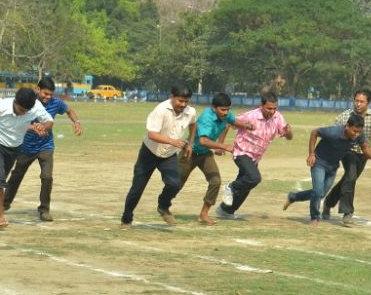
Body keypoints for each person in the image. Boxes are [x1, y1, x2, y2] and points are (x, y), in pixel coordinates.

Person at [0, 87, 53, 230]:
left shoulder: (35, 106)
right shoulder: (0, 105)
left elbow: (49, 121)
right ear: (15, 101)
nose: (22, 113)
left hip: (14, 148)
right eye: (20, 109)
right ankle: (0, 216)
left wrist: (42, 126)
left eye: (26, 111)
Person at [2, 76, 82, 222]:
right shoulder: (28, 102)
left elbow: (69, 111)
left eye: (51, 94)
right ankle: (4, 204)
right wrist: (32, 128)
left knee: (47, 177)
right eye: (45, 93)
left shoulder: (56, 103)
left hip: (46, 146)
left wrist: (76, 122)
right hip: (26, 147)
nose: (48, 97)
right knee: (16, 175)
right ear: (37, 90)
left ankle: (44, 210)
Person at [284, 113, 371, 226]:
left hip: (333, 167)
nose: (357, 134)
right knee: (317, 192)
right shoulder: (333, 132)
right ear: (347, 126)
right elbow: (314, 132)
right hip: (319, 163)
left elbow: (365, 147)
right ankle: (314, 217)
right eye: (354, 131)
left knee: (320, 194)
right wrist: (311, 154)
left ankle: (293, 197)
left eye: (359, 132)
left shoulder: (358, 135)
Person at [320, 89, 371, 225]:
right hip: (346, 151)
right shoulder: (344, 116)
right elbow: (333, 134)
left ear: (368, 103)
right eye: (356, 101)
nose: (358, 104)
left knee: (348, 180)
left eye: (361, 101)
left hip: (364, 153)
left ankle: (328, 203)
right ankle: (347, 213)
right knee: (350, 177)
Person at [121, 85, 196, 227]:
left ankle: (163, 206)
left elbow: (193, 124)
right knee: (137, 189)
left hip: (168, 154)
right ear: (171, 97)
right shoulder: (161, 110)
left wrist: (190, 144)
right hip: (149, 153)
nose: (183, 105)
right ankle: (126, 218)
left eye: (186, 102)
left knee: (174, 183)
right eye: (180, 101)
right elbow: (152, 134)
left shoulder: (190, 112)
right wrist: (173, 141)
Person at [172, 92, 253, 225]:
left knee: (215, 181)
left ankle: (204, 214)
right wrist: (223, 146)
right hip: (190, 152)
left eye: (228, 109)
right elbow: (203, 141)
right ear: (214, 108)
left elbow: (233, 121)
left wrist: (247, 126)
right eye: (222, 109)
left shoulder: (226, 115)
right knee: (176, 184)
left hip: (205, 154)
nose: (226, 112)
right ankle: (164, 205)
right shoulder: (206, 117)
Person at [215, 92, 294, 220]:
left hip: (255, 157)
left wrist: (289, 132)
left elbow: (288, 137)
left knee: (247, 186)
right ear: (261, 105)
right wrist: (220, 145)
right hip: (241, 152)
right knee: (254, 178)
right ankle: (231, 187)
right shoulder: (250, 116)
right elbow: (228, 123)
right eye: (269, 108)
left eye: (275, 108)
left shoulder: (278, 117)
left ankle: (226, 211)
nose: (272, 111)